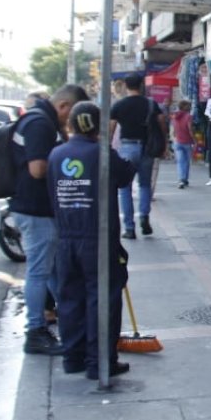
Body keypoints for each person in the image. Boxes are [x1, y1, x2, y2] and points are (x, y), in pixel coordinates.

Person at [49, 101, 134, 379]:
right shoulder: (103, 155)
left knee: (70, 299)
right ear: (98, 127)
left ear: (70, 124)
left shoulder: (55, 155)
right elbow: (125, 175)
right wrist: (105, 144)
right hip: (97, 238)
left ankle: (73, 358)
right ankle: (100, 363)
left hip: (65, 238)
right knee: (102, 300)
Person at [11, 84, 89, 355]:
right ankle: (35, 331)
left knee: (55, 271)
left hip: (41, 209)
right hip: (34, 210)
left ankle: (73, 321)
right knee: (39, 271)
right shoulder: (39, 124)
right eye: (69, 118)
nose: (68, 124)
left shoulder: (40, 120)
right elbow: (37, 169)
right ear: (64, 106)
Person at [110, 74, 166, 239]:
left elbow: (111, 127)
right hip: (147, 148)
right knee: (144, 185)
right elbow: (162, 121)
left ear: (126, 86)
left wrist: (106, 149)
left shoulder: (119, 105)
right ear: (141, 85)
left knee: (124, 188)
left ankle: (129, 227)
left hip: (127, 148)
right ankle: (144, 217)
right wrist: (163, 144)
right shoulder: (150, 104)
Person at [171, 100, 194, 189]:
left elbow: (173, 130)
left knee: (180, 162)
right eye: (189, 106)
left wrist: (174, 137)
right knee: (186, 161)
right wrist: (194, 140)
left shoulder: (174, 116)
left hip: (177, 141)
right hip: (187, 141)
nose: (190, 107)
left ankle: (181, 179)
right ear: (185, 107)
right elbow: (190, 129)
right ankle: (185, 179)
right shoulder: (188, 116)